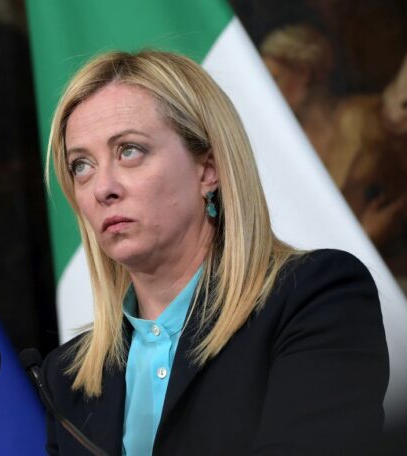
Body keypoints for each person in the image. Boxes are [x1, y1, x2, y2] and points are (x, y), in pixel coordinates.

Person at [41, 50, 389, 455]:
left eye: (129, 150)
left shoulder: (315, 299)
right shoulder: (67, 378)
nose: (103, 188)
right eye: (81, 165)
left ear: (208, 169)